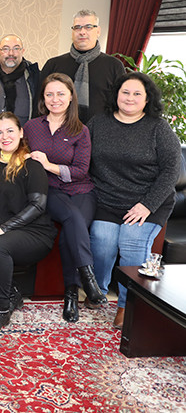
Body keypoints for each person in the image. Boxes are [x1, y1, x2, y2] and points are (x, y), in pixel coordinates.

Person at [88, 72, 181, 329]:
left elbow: (171, 170)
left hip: (147, 202)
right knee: (102, 241)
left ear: (147, 99)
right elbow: (79, 155)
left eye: (137, 93)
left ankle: (127, 304)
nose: (130, 98)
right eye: (125, 92)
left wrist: (147, 205)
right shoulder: (98, 123)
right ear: (116, 95)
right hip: (107, 200)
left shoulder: (158, 128)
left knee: (131, 241)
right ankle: (98, 291)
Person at [21, 73, 106, 322]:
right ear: (43, 98)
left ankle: (71, 293)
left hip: (81, 190)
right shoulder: (32, 127)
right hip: (51, 190)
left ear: (71, 97)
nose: (54, 99)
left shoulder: (81, 130)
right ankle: (87, 280)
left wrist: (49, 164)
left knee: (72, 229)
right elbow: (13, 148)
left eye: (60, 94)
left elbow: (81, 170)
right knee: (73, 218)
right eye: (49, 94)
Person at [0, 112, 56, 333]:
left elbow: (38, 206)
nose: (4, 136)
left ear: (21, 132)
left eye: (10, 131)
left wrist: (2, 228)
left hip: (35, 232)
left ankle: (1, 309)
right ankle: (12, 294)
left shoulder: (32, 165)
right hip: (6, 233)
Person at [41, 10, 123, 121]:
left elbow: (121, 105)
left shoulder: (114, 66)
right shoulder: (53, 65)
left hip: (101, 129)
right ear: (72, 32)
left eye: (88, 27)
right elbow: (40, 103)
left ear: (98, 31)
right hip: (58, 129)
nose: (82, 32)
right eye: (77, 27)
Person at [0, 34, 40, 147]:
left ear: (22, 51)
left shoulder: (34, 78)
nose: (11, 53)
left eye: (16, 48)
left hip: (22, 149)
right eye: (5, 49)